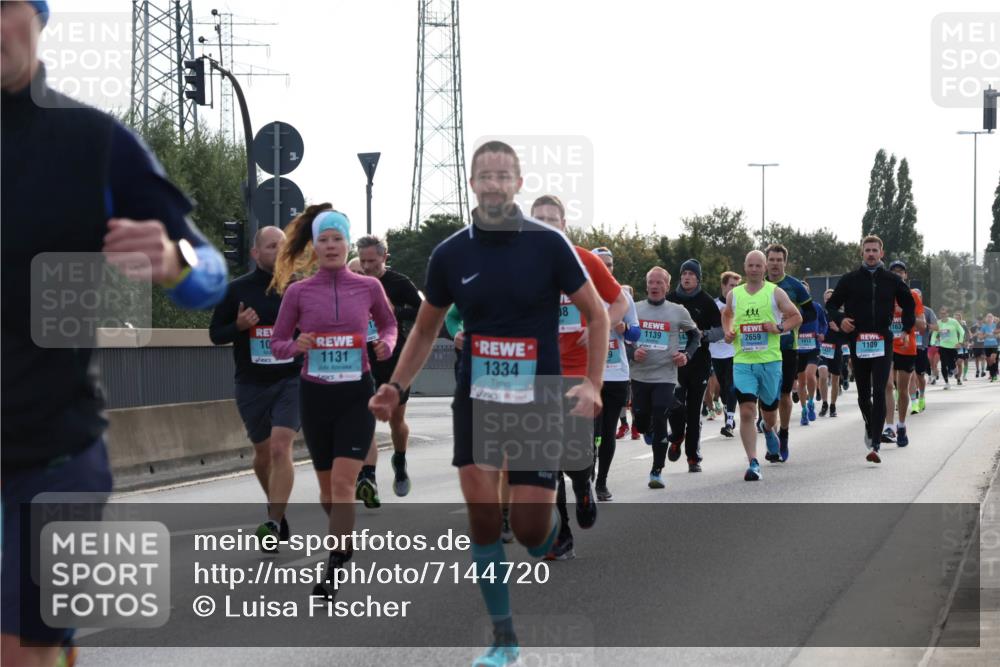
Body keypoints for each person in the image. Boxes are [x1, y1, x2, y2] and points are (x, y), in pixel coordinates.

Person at [1, 3, 229, 664]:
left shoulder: (92, 142)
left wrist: (175, 261)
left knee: (18, 650)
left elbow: (208, 268)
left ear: (39, 17)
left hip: (52, 446)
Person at [369, 141, 608, 667]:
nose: (495, 184)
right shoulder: (450, 254)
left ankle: (548, 534)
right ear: (473, 184)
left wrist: (593, 383)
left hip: (537, 398)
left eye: (504, 176)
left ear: (517, 184)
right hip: (477, 398)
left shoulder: (549, 245)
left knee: (528, 529)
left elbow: (597, 314)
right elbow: (425, 329)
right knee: (482, 517)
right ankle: (504, 639)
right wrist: (396, 387)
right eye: (485, 175)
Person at [268, 205, 397, 599]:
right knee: (328, 493)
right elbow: (277, 343)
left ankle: (334, 564)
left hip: (356, 394)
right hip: (315, 395)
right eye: (323, 239)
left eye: (337, 239)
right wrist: (296, 346)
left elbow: (389, 324)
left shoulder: (369, 288)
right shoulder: (298, 292)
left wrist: (385, 344)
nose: (330, 245)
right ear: (314, 246)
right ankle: (344, 540)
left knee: (343, 484)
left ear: (347, 244)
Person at [530, 197, 627, 559]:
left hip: (578, 371)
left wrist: (602, 324)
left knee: (574, 456)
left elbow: (619, 301)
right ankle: (561, 535)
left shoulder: (585, 261)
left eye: (551, 220)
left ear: (564, 225)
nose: (545, 226)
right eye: (538, 220)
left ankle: (584, 485)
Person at [209, 227, 300, 548]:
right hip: (252, 383)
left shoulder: (298, 289)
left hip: (292, 379)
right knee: (263, 455)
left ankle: (273, 521)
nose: (279, 251)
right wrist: (239, 326)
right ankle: (278, 510)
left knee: (280, 447)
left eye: (283, 246)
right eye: (271, 246)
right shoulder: (236, 290)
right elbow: (215, 334)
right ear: (255, 253)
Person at [825, 235, 915, 463]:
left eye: (875, 250)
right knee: (864, 394)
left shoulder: (892, 280)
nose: (871, 254)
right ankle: (869, 424)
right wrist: (841, 319)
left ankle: (876, 444)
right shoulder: (850, 279)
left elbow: (909, 303)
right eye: (868, 250)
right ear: (862, 253)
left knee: (880, 390)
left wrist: (906, 328)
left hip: (883, 341)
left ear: (881, 253)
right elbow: (831, 304)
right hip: (858, 340)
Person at [353, 235, 424, 504]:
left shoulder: (399, 283)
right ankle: (367, 476)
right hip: (361, 359)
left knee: (396, 421)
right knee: (363, 419)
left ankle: (400, 460)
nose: (367, 266)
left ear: (384, 257)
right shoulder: (353, 283)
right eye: (363, 261)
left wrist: (397, 312)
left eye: (372, 260)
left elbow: (423, 311)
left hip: (395, 360)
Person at [721, 251, 803, 480]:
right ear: (745, 267)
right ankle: (753, 462)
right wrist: (728, 331)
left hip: (770, 361)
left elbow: (796, 316)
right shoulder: (734, 294)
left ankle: (768, 429)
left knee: (769, 414)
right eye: (751, 265)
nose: (754, 269)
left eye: (759, 265)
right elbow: (727, 315)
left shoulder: (775, 292)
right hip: (743, 361)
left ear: (764, 268)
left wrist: (778, 328)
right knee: (747, 410)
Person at [631, 267, 701, 488]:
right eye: (651, 282)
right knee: (641, 422)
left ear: (667, 286)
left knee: (660, 413)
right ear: (646, 285)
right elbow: (620, 335)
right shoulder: (634, 309)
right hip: (639, 375)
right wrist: (632, 352)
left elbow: (695, 336)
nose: (654, 286)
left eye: (659, 282)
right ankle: (656, 421)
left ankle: (656, 471)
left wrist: (686, 355)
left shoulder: (677, 311)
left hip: (665, 375)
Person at [589, 247, 640, 501]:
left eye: (609, 264)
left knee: (608, 431)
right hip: (587, 375)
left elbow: (636, 334)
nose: (606, 268)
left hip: (616, 374)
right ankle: (587, 469)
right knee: (589, 431)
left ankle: (602, 482)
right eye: (600, 263)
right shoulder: (578, 293)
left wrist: (625, 328)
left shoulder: (622, 296)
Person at [666, 259, 723, 472]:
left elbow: (720, 330)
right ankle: (677, 436)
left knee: (693, 412)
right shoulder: (670, 300)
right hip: (674, 364)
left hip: (699, 363)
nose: (687, 277)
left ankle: (693, 457)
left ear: (698, 278)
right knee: (675, 407)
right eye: (684, 274)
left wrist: (704, 334)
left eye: (691, 274)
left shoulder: (706, 301)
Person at [764, 244, 816, 462]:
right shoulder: (758, 284)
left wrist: (793, 317)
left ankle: (783, 434)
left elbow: (811, 313)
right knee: (765, 396)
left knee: (785, 394)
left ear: (785, 262)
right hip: (762, 349)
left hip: (787, 347)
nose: (775, 264)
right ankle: (771, 433)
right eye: (772, 260)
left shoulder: (794, 286)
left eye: (779, 260)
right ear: (766, 262)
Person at [882, 260, 925, 447]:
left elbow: (922, 325)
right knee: (887, 386)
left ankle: (901, 425)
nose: (898, 274)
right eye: (894, 271)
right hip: (887, 346)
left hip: (907, 346)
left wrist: (905, 312)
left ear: (906, 275)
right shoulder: (883, 294)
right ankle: (889, 427)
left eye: (901, 271)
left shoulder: (913, 295)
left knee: (902, 389)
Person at [710, 271, 742, 436]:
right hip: (716, 352)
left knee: (731, 386)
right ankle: (727, 410)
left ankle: (729, 421)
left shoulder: (741, 304)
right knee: (722, 389)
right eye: (731, 285)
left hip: (733, 352)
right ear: (723, 285)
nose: (734, 289)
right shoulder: (713, 305)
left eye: (737, 286)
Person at [794, 282, 827, 426]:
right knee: (801, 382)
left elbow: (824, 323)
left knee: (810, 374)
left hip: (813, 346)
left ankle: (811, 401)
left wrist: (822, 334)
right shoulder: (792, 307)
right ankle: (804, 410)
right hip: (798, 348)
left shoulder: (816, 307)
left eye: (805, 290)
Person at [817, 288, 846, 417]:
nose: (829, 300)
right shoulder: (820, 313)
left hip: (836, 349)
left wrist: (838, 329)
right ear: (824, 300)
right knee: (823, 376)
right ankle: (824, 403)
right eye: (827, 298)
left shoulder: (841, 315)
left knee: (835, 379)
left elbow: (847, 336)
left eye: (831, 298)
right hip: (823, 348)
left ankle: (833, 405)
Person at [910, 290, 937, 413]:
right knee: (911, 376)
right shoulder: (906, 309)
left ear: (921, 298)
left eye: (917, 296)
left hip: (921, 347)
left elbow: (937, 327)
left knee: (920, 376)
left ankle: (921, 397)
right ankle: (914, 403)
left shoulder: (927, 311)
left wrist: (925, 325)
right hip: (908, 348)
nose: (915, 298)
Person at [936, 307, 965, 389]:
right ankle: (946, 383)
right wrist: (934, 341)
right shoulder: (938, 323)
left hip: (953, 346)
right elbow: (935, 333)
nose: (943, 315)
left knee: (953, 363)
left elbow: (962, 331)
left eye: (944, 313)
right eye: (941, 313)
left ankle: (955, 372)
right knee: (943, 364)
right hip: (942, 346)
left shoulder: (954, 322)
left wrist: (960, 342)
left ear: (947, 314)